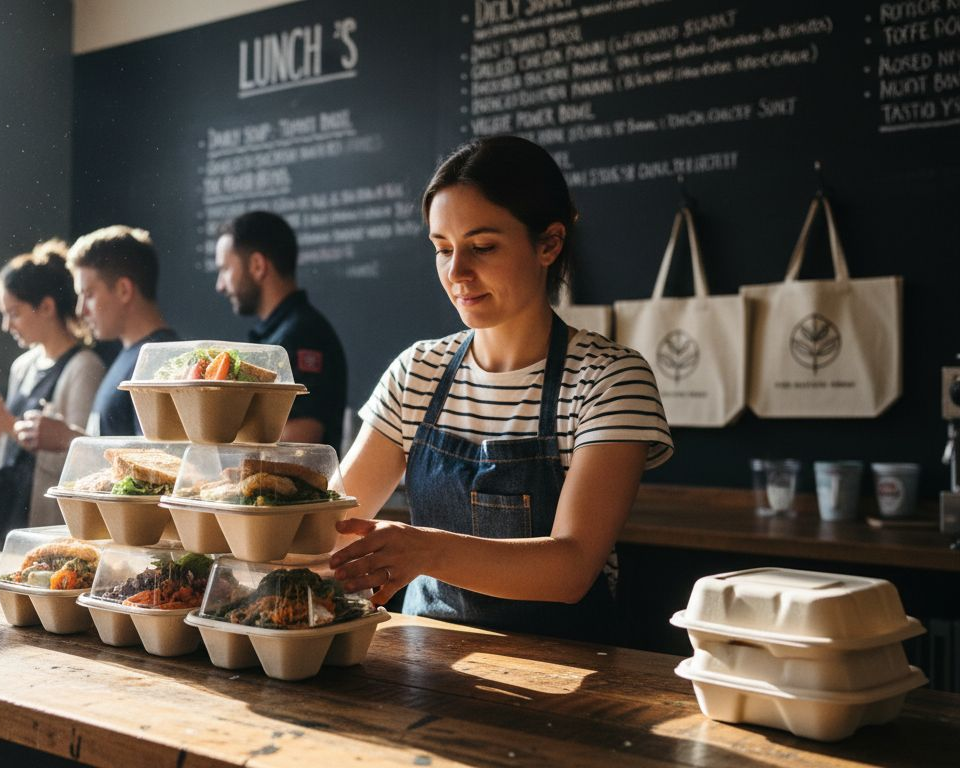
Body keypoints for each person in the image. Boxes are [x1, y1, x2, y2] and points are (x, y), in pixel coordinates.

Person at [329, 136, 673, 644]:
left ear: (549, 244)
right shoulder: (416, 372)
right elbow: (335, 522)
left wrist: (424, 550)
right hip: (425, 657)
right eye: (442, 249)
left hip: (568, 673)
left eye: (482, 247)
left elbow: (571, 567)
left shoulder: (609, 379)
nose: (456, 272)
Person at [0, 244, 104, 532]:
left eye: (14, 313)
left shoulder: (84, 368)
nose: (6, 325)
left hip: (50, 521)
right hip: (10, 516)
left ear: (46, 307)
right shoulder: (23, 366)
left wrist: (5, 422)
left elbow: (84, 463)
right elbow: (12, 451)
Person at [214, 211, 347, 451]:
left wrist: (216, 433)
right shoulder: (279, 336)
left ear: (257, 266)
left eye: (225, 269)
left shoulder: (303, 334)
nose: (220, 285)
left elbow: (302, 437)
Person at [66, 225, 179, 437]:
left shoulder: (159, 363)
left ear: (124, 290)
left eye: (89, 294)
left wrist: (68, 439)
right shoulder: (134, 357)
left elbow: (156, 461)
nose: (81, 311)